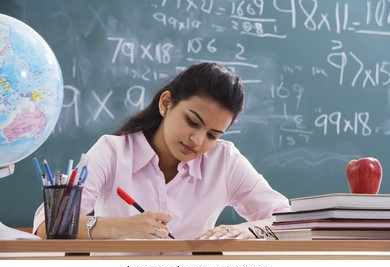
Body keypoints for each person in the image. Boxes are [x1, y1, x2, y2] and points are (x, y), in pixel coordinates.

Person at [33, 62, 291, 241]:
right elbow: (46, 225)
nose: (197, 140)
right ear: (166, 104)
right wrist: (123, 227)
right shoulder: (112, 152)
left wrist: (249, 230)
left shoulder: (225, 161)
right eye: (192, 121)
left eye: (213, 135)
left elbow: (287, 220)